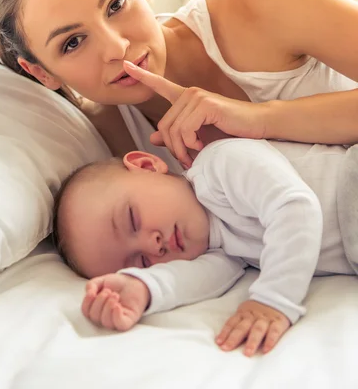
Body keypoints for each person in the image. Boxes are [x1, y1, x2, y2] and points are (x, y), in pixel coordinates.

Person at [0, 0, 358, 168]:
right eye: (73, 42)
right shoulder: (112, 142)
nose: (116, 47)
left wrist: (259, 119)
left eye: (116, 4)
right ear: (41, 72)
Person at [52, 135, 356, 357]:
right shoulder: (221, 250)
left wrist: (273, 300)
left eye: (132, 220)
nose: (152, 245)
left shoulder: (220, 165)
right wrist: (140, 288)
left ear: (147, 164)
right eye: (141, 261)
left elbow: (295, 207)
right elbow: (194, 279)